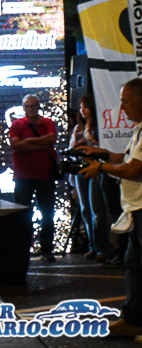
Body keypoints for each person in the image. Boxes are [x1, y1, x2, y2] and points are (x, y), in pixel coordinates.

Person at [78, 78, 142, 339]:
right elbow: (125, 160)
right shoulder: (139, 130)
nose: (122, 107)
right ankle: (133, 319)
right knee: (135, 266)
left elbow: (134, 169)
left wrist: (102, 167)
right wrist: (102, 155)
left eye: (126, 101)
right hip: (136, 208)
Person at [9, 94, 57, 262]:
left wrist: (27, 142)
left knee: (48, 215)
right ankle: (22, 249)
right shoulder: (17, 124)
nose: (31, 109)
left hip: (45, 175)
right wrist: (41, 143)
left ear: (39, 106)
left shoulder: (48, 122)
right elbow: (15, 145)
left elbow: (52, 139)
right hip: (24, 177)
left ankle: (46, 250)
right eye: (28, 106)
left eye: (34, 106)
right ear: (23, 108)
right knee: (22, 215)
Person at [70, 94, 112, 261]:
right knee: (85, 209)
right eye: (81, 108)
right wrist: (76, 147)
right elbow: (71, 147)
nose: (83, 111)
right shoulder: (78, 128)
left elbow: (104, 148)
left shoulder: (100, 126)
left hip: (95, 168)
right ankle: (92, 246)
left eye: (85, 107)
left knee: (97, 208)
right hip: (81, 169)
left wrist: (91, 142)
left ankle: (103, 247)